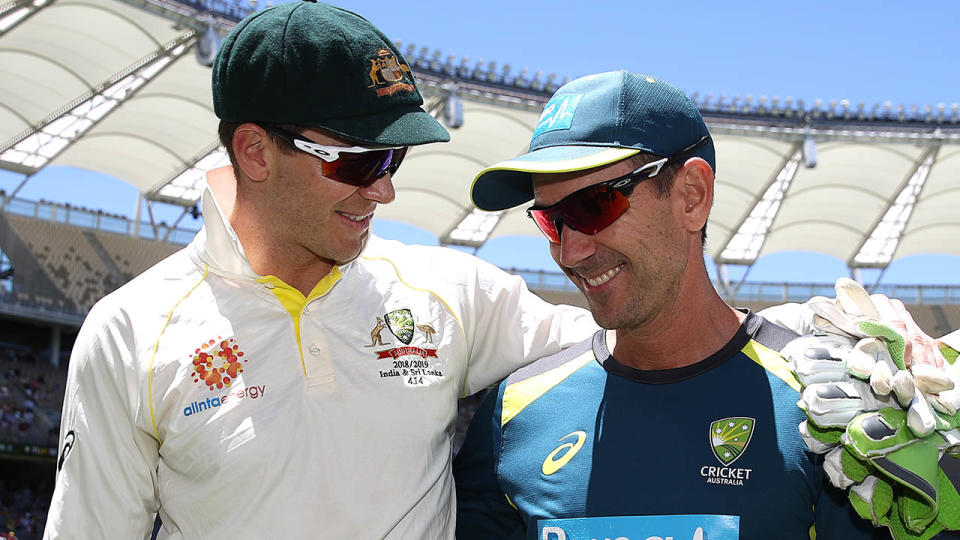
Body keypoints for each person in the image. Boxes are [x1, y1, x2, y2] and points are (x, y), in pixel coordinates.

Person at [42, 2, 598, 538]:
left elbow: (632, 344)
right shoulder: (128, 331)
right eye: (360, 160)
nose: (384, 189)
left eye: (394, 160)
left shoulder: (452, 291)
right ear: (256, 151)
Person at [454, 70, 890, 539]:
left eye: (593, 207)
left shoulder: (831, 407)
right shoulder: (512, 415)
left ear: (692, 197)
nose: (570, 251)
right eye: (551, 221)